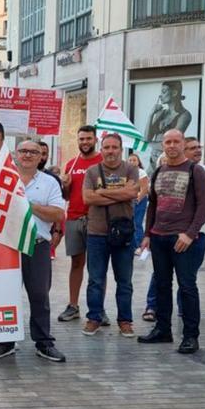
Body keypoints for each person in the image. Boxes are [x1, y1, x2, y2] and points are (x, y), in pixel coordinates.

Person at [0, 141, 67, 362]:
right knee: (5, 294)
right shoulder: (2, 179)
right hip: (7, 245)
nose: (28, 155)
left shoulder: (50, 182)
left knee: (40, 295)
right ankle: (4, 341)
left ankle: (43, 342)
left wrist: (27, 205)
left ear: (41, 156)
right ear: (15, 154)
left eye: (34, 152)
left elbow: (57, 214)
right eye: (23, 151)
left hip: (37, 245)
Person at [137, 129, 205, 353]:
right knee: (161, 285)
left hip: (183, 240)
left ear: (183, 144)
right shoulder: (159, 170)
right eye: (167, 142)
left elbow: (204, 207)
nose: (171, 145)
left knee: (187, 287)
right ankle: (163, 330)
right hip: (159, 237)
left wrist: (189, 234)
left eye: (176, 141)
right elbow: (153, 206)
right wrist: (148, 234)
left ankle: (190, 336)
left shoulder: (195, 171)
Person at [81, 133, 139, 337]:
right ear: (102, 149)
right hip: (97, 233)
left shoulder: (131, 169)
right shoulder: (92, 171)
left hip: (123, 233)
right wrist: (119, 194)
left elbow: (132, 194)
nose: (111, 151)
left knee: (125, 281)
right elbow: (87, 198)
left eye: (115, 147)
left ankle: (125, 320)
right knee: (95, 279)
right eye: (107, 147)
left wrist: (102, 193)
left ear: (121, 149)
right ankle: (94, 318)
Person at [58, 126, 104, 323]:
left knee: (97, 267)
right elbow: (66, 197)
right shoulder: (71, 164)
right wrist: (65, 185)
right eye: (81, 139)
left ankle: (98, 309)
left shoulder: (103, 162)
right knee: (76, 263)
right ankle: (73, 305)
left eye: (88, 139)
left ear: (95, 140)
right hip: (74, 219)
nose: (84, 142)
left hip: (97, 220)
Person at [126, 152, 150, 253]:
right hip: (129, 200)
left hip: (139, 200)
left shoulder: (141, 172)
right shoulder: (126, 172)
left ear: (138, 162)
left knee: (137, 223)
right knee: (130, 223)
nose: (132, 162)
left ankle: (139, 246)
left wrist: (138, 199)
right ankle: (132, 244)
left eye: (134, 160)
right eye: (130, 160)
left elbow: (145, 189)